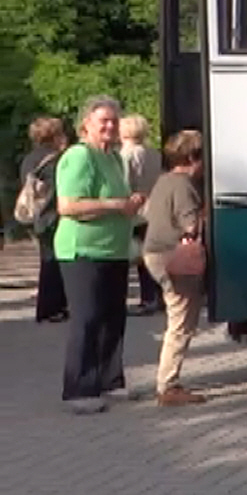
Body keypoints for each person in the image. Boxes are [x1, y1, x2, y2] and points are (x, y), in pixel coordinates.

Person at [55, 96, 144, 414]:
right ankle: (78, 388)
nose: (110, 126)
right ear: (86, 125)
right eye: (103, 120)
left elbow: (119, 201)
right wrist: (115, 205)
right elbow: (68, 205)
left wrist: (131, 204)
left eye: (114, 120)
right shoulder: (80, 156)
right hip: (83, 251)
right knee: (87, 318)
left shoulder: (115, 157)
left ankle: (110, 380)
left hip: (114, 250)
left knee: (112, 318)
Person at [141, 130, 208, 407]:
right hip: (173, 256)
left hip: (155, 253)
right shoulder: (183, 185)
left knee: (177, 317)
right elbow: (190, 225)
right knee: (180, 322)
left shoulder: (164, 180)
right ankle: (168, 385)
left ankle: (168, 382)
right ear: (192, 157)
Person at [21, 116, 68, 324]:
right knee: (54, 263)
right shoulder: (56, 160)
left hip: (36, 215)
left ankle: (50, 306)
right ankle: (52, 307)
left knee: (47, 260)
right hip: (53, 215)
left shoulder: (29, 159)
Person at [119, 112, 164, 317]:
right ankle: (157, 296)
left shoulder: (125, 155)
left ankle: (147, 299)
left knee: (136, 255)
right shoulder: (154, 154)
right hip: (154, 207)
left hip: (136, 210)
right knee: (152, 255)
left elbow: (124, 184)